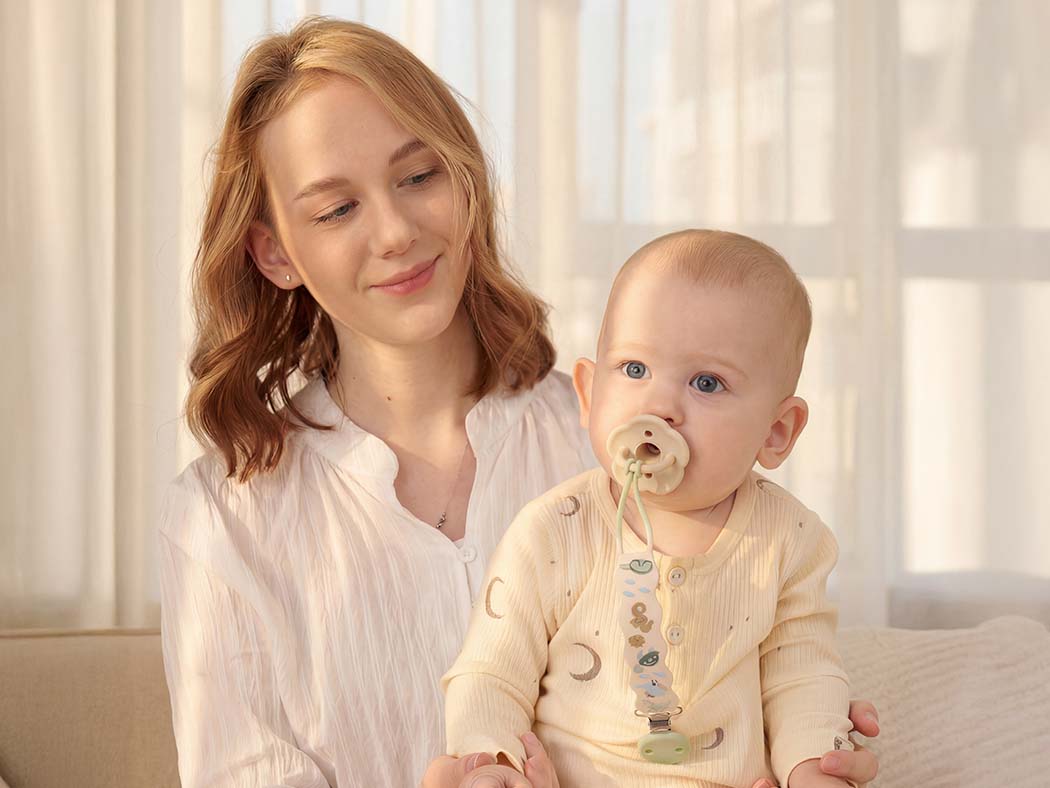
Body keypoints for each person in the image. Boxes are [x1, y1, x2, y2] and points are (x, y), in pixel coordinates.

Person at [158, 17, 881, 788]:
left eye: (419, 176)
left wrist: (806, 744)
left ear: (467, 182)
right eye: (336, 210)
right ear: (275, 253)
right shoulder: (223, 518)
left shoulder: (622, 440)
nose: (396, 231)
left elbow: (770, 654)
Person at [444, 230, 862, 788]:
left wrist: (815, 764)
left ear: (777, 431)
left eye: (707, 382)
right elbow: (491, 673)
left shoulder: (790, 540)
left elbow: (803, 675)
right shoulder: (552, 531)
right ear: (589, 394)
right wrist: (491, 762)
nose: (660, 405)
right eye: (635, 369)